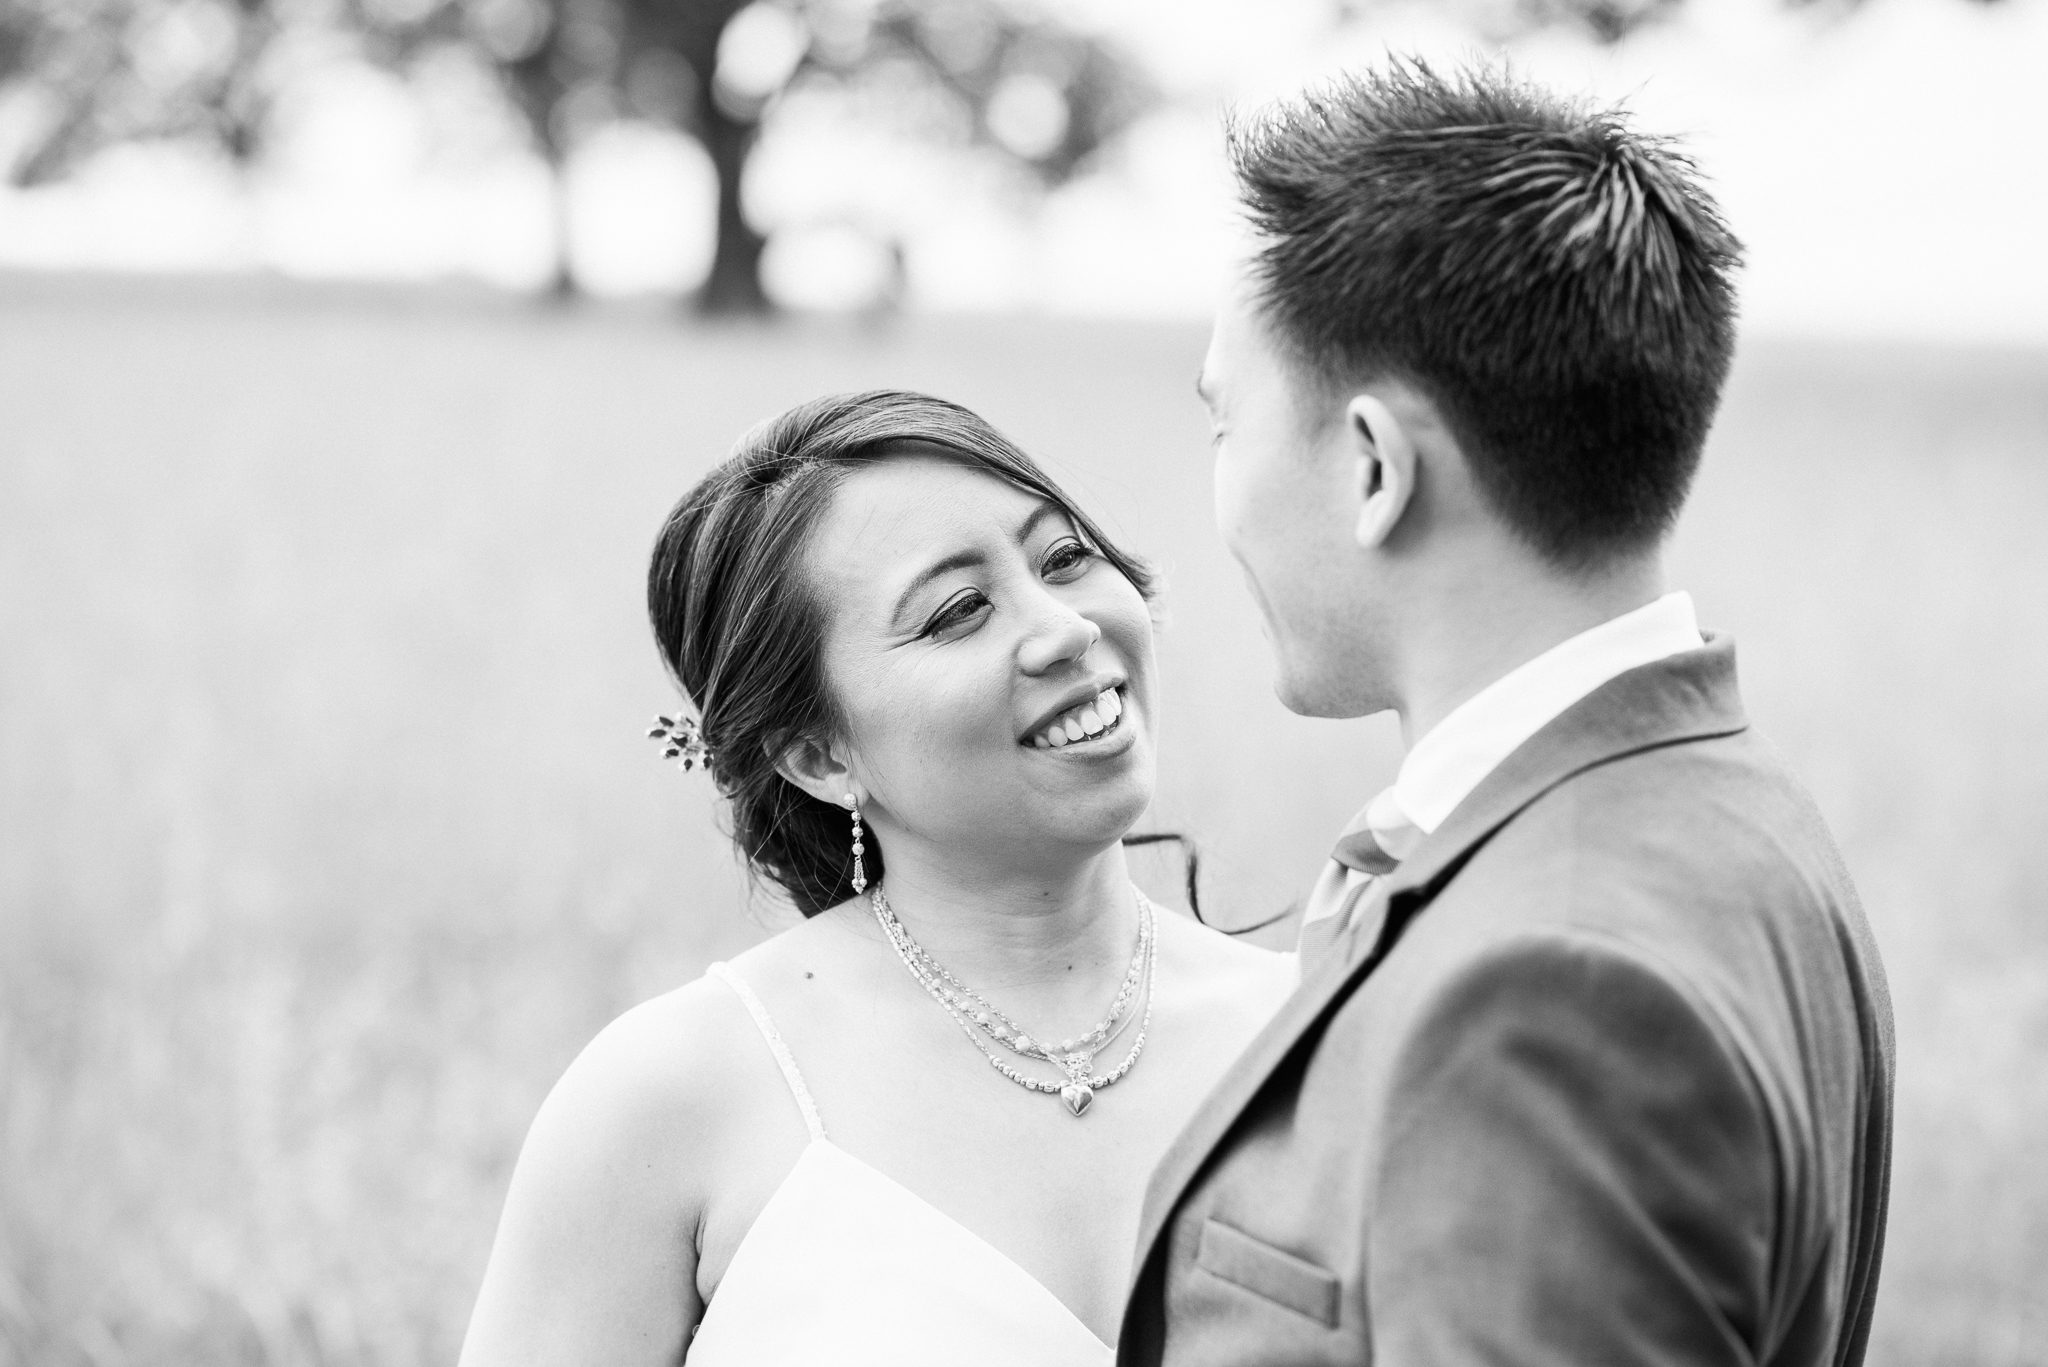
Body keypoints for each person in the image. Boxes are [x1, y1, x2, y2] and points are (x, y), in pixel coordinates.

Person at [1120, 61, 1895, 1365]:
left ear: (1374, 465)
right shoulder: (1731, 803)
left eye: (1223, 423)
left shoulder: (1549, 992)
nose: (1221, 491)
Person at [457, 390, 1297, 1366]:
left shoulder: (1321, 1032)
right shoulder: (671, 1097)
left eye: (1064, 558)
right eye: (956, 612)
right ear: (817, 754)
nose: (1065, 628)